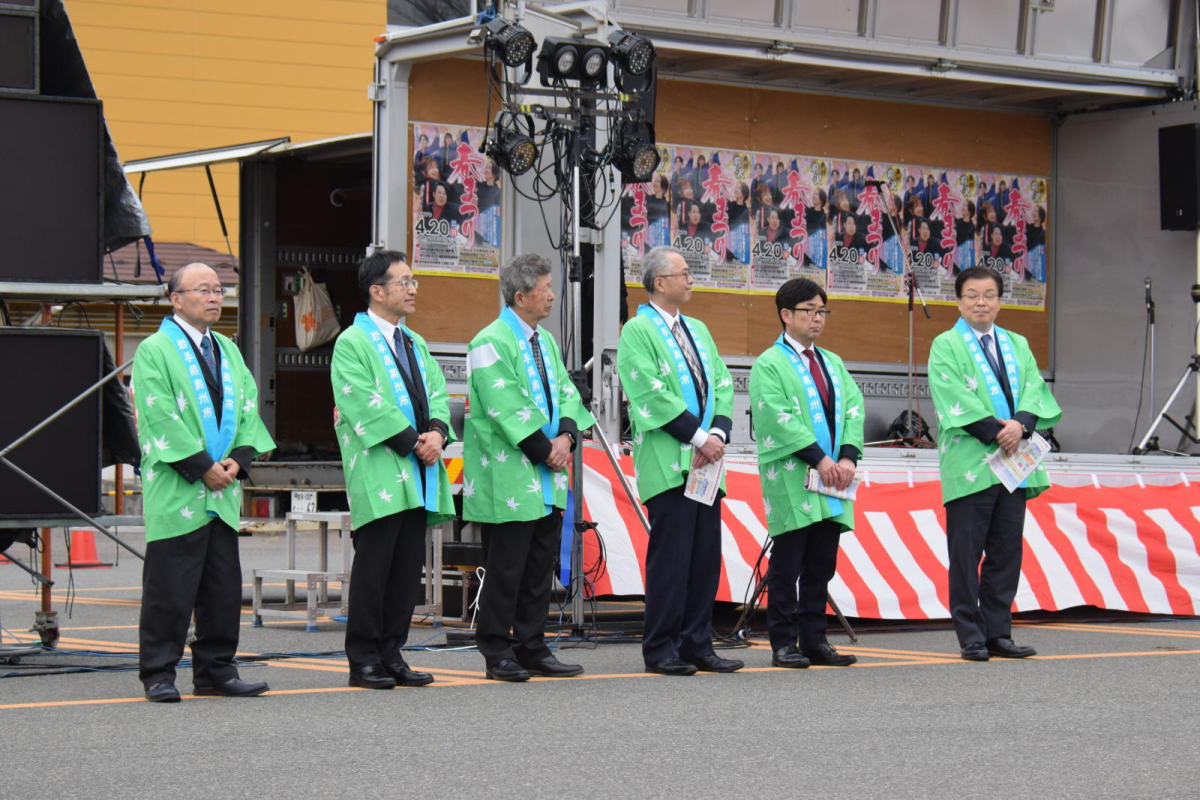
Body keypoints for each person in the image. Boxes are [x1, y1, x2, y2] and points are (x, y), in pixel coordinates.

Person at [132, 263, 275, 703]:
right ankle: (159, 672)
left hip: (222, 488)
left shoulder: (228, 351)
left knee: (221, 586)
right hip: (180, 486)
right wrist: (201, 464)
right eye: (204, 290)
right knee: (169, 586)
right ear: (176, 299)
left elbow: (249, 407)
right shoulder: (154, 350)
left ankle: (216, 669)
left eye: (219, 289)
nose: (215, 297)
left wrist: (238, 460)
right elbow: (158, 415)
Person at [463, 253, 595, 682]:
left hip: (545, 472)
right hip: (510, 474)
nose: (553, 296)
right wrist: (549, 448)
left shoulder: (546, 341)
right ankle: (497, 650)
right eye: (545, 290)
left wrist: (568, 437)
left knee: (539, 566)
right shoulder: (490, 340)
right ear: (520, 296)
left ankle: (532, 645)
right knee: (506, 568)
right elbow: (505, 405)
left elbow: (567, 392)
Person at [331, 251, 455, 690]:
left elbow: (437, 393)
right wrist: (415, 443)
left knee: (406, 569)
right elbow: (361, 402)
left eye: (413, 280)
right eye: (403, 281)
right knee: (375, 567)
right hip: (382, 469)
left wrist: (438, 432)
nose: (412, 288)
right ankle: (363, 657)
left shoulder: (414, 342)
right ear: (376, 290)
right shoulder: (353, 342)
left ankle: (392, 652)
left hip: (418, 468)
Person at [616, 245, 740, 677]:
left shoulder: (699, 329)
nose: (691, 279)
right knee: (671, 558)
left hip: (706, 462)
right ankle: (661, 647)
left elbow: (722, 382)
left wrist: (719, 432)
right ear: (660, 282)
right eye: (684, 273)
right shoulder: (638, 330)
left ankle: (697, 643)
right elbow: (649, 395)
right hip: (671, 461)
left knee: (705, 556)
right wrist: (700, 437)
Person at [928, 266, 1062, 662]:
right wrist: (998, 430)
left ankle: (998, 631)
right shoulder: (946, 344)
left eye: (988, 294)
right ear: (958, 300)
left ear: (1000, 301)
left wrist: (1021, 425)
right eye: (972, 295)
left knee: (1006, 551)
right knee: (966, 554)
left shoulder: (1017, 343)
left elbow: (1035, 389)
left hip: (1014, 463)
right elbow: (950, 394)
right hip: (972, 461)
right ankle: (970, 634)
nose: (981, 302)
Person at [749, 278, 864, 669]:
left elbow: (853, 408)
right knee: (788, 562)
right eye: (809, 311)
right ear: (786, 315)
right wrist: (820, 458)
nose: (817, 319)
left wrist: (847, 457)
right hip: (794, 476)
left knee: (821, 564)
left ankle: (815, 640)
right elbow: (775, 416)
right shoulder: (770, 362)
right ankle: (783, 641)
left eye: (822, 311)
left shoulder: (832, 362)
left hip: (833, 477)